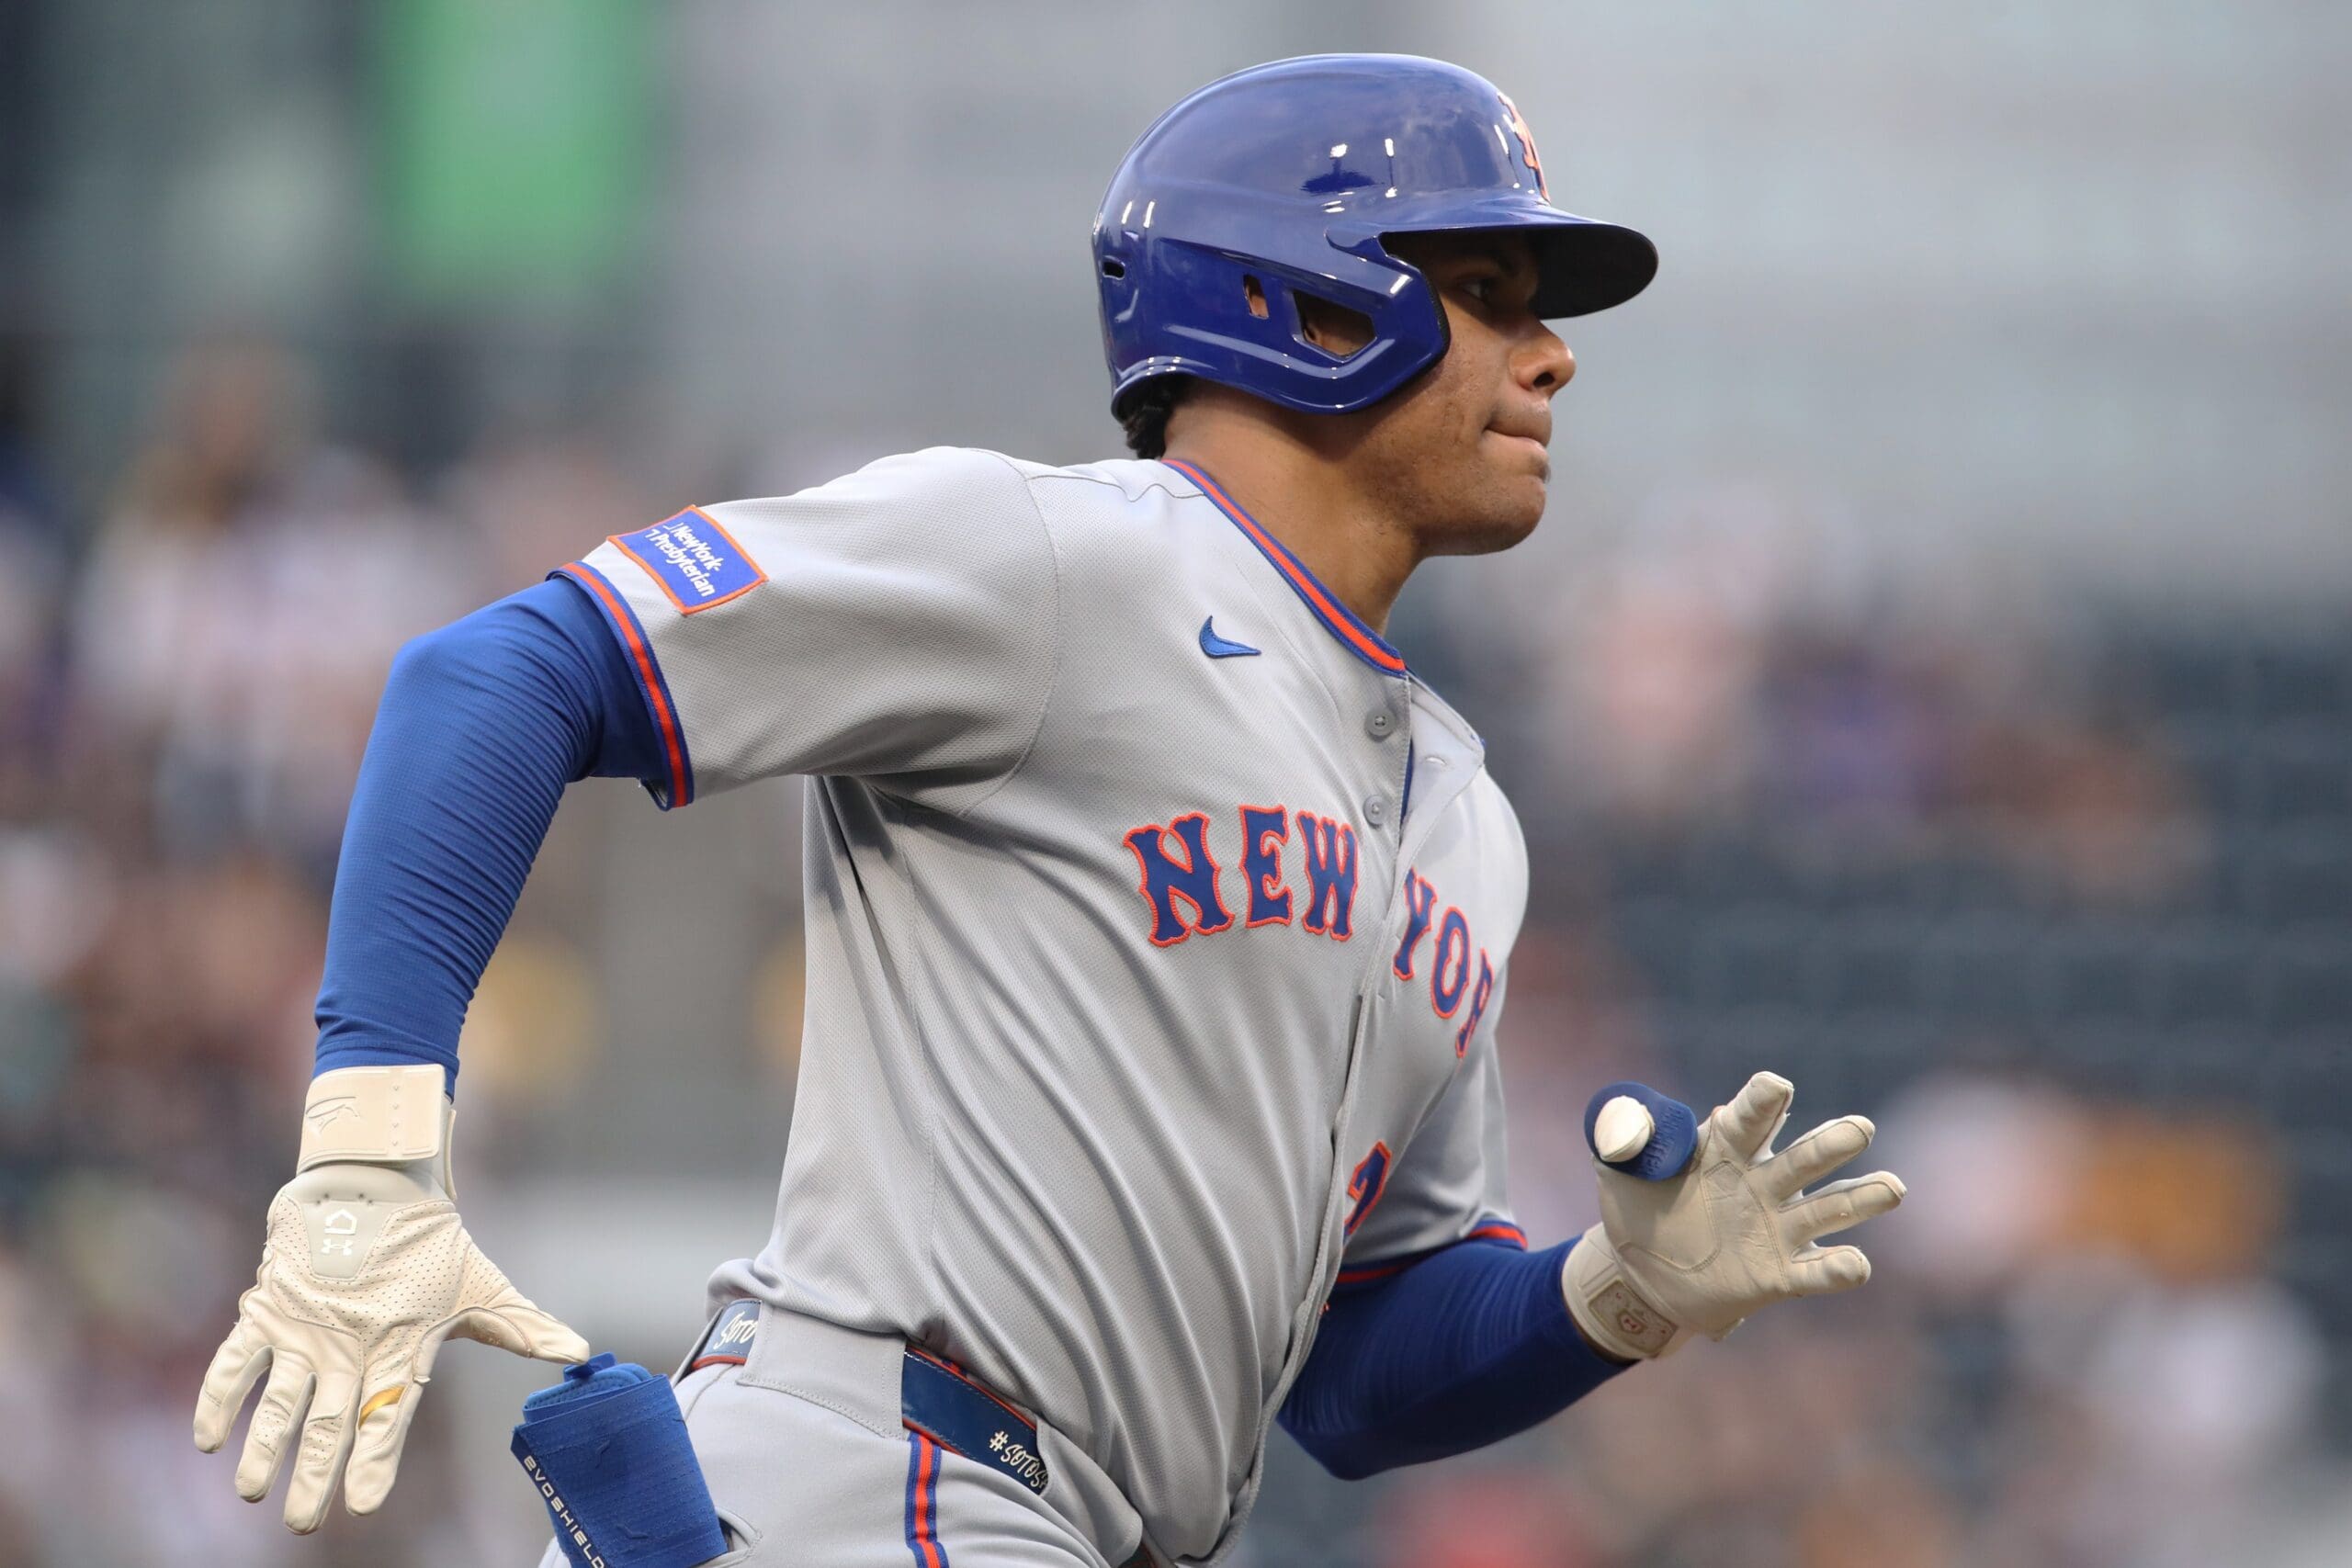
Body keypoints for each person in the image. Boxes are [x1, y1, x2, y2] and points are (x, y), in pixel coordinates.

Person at [193, 55, 1905, 1567]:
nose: (1550, 359)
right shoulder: (1059, 559)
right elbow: (495, 678)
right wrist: (368, 1146)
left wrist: (1605, 1299)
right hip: (882, 1478)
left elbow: (1356, 1367)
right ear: (1298, 303)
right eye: (1486, 287)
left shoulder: (1466, 812)